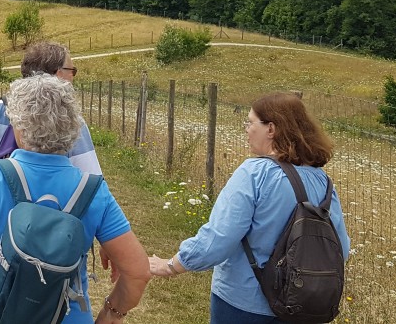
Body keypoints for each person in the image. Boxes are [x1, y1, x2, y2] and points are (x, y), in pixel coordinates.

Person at [0, 74, 151, 323]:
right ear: (73, 128)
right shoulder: (92, 190)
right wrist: (112, 313)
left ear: (20, 128)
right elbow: (138, 271)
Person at [148, 92, 351, 323]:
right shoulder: (323, 182)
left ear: (271, 129)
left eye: (250, 122)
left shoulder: (254, 173)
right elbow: (340, 248)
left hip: (245, 304)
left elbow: (218, 239)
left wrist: (171, 266)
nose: (246, 129)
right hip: (301, 306)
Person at [0, 41, 99, 179]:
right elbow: (91, 181)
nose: (73, 76)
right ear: (59, 75)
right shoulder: (70, 120)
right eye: (72, 71)